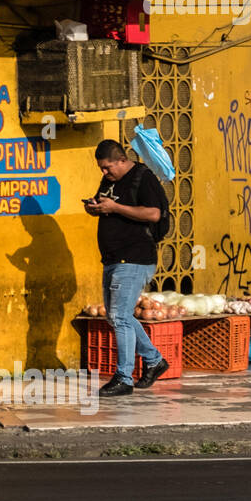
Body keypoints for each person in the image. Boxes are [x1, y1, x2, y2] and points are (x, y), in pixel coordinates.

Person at [84, 139, 170, 397]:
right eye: (101, 168)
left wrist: (115, 207)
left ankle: (124, 378)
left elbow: (154, 214)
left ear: (122, 160)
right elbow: (109, 207)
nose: (104, 173)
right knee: (117, 316)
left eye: (107, 167)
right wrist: (96, 208)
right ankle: (154, 361)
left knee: (120, 317)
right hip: (112, 258)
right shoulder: (110, 182)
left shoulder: (143, 178)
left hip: (134, 258)